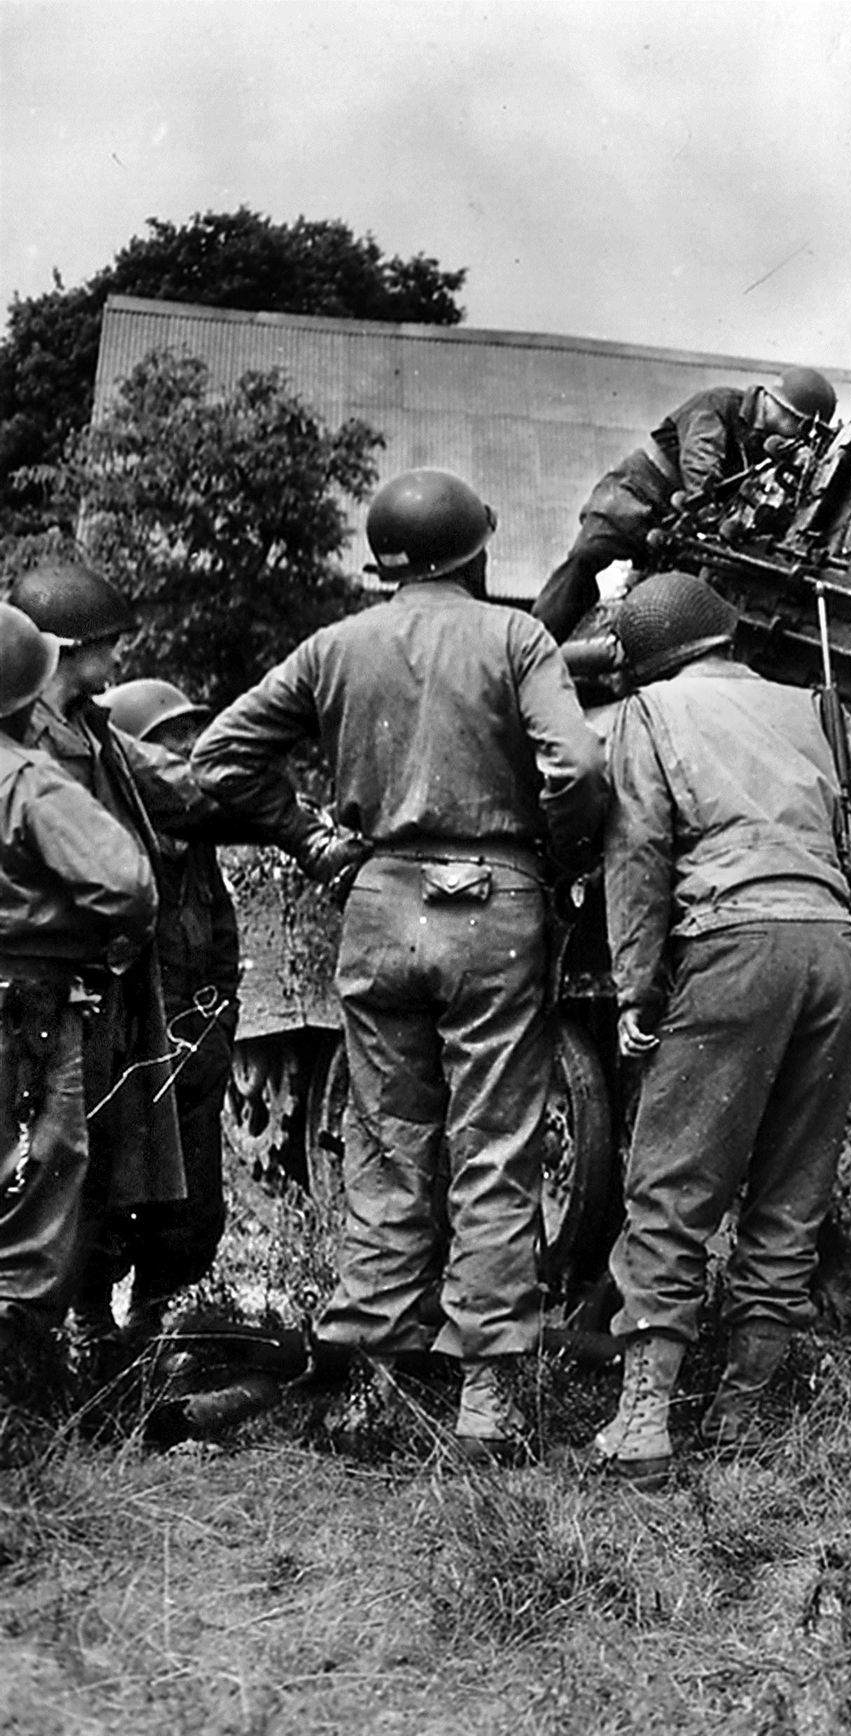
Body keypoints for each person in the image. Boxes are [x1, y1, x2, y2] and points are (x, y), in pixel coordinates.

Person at [194, 467, 610, 1463]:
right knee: (496, 1150)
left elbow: (219, 758)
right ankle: (487, 1405)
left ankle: (360, 1393)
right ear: (477, 550)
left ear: (385, 562)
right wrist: (549, 857)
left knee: (383, 1142)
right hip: (495, 904)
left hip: (377, 904)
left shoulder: (333, 646)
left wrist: (317, 842)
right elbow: (579, 768)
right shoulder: (518, 639)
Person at [592, 571, 851, 1483]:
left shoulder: (647, 717)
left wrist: (636, 990)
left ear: (645, 655)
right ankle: (744, 1417)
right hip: (833, 952)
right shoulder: (813, 706)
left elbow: (638, 855)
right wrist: (822, 838)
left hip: (732, 949)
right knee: (791, 1189)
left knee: (672, 1184)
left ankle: (645, 1425)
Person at [0, 601, 157, 1401]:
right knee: (39, 1180)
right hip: (27, 999)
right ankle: (19, 1404)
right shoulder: (28, 779)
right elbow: (126, 882)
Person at [80, 679, 245, 1348]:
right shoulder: (109, 851)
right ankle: (89, 1325)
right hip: (126, 1055)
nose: (186, 768)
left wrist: (219, 1032)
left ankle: (152, 1320)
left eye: (191, 751)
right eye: (169, 752)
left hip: (192, 1050)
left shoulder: (198, 851)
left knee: (192, 1208)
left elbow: (223, 944)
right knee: (105, 1198)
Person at [533, 367, 838, 642]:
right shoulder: (717, 404)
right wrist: (711, 516)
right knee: (583, 563)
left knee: (664, 602)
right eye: (798, 425)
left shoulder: (762, 441)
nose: (797, 436)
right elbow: (700, 464)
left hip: (673, 520)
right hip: (633, 496)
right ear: (779, 407)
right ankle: (533, 647)